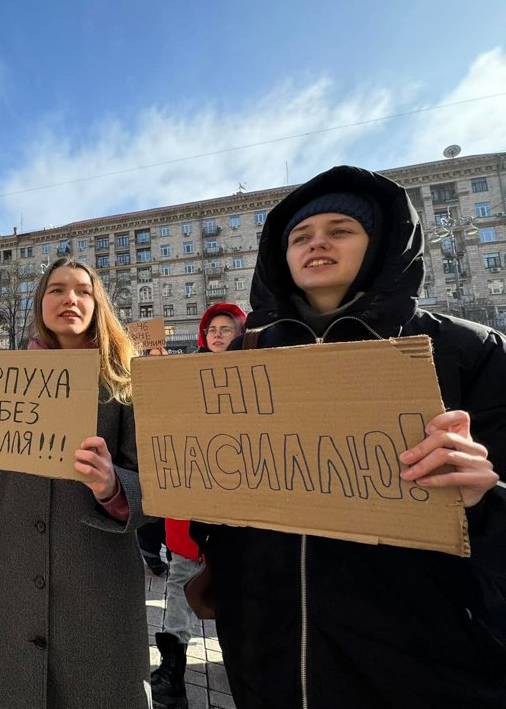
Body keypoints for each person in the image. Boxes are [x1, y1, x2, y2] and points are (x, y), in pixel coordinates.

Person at [194, 166, 506, 707]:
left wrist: (484, 500)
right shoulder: (242, 360)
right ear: (280, 256)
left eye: (340, 230)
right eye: (300, 237)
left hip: (421, 669)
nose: (317, 244)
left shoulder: (467, 351)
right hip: (266, 657)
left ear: (379, 241)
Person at [0, 257, 150, 708]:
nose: (70, 298)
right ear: (40, 303)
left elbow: (156, 481)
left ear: (97, 302)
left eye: (83, 290)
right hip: (7, 560)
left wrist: (113, 485)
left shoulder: (126, 380)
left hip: (94, 574)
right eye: (57, 290)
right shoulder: (5, 376)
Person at [150, 303, 247, 709]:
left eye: (228, 329)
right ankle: (172, 671)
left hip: (240, 510)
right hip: (191, 507)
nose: (219, 335)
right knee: (180, 585)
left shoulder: (257, 375)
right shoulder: (186, 375)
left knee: (236, 590)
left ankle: (243, 664)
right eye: (212, 329)